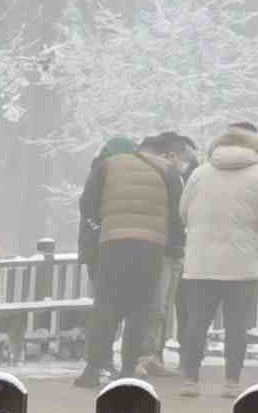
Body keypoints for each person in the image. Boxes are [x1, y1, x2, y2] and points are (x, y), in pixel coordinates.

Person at [175, 122, 258, 393]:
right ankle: (231, 382)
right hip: (243, 265)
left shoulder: (199, 174)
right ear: (255, 147)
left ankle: (190, 380)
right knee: (238, 326)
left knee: (196, 322)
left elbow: (182, 211)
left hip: (200, 265)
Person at [76, 134, 180, 385]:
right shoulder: (166, 170)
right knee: (139, 309)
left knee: (106, 307)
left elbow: (86, 204)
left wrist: (102, 226)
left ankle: (93, 369)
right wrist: (172, 244)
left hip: (113, 245)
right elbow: (177, 212)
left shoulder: (106, 166)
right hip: (151, 248)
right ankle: (128, 370)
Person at [137, 131, 197, 367]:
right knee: (157, 304)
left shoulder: (177, 176)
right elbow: (175, 213)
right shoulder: (164, 175)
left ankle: (154, 353)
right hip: (164, 247)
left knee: (163, 305)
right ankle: (148, 353)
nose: (188, 163)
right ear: (172, 154)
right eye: (186, 157)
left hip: (171, 247)